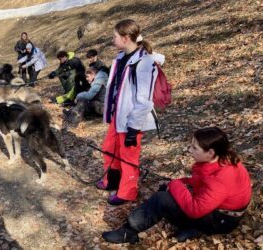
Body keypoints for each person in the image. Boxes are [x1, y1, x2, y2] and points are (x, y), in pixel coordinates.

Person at [102, 127, 252, 244]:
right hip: (216, 211)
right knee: (167, 190)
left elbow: (195, 209)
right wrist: (180, 183)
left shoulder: (221, 178)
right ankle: (193, 229)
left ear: (211, 152)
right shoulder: (223, 158)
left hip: (221, 221)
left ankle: (129, 232)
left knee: (162, 199)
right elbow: (201, 182)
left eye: (195, 148)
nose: (190, 150)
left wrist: (175, 185)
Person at [96, 19, 163, 205]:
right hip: (117, 116)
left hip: (132, 120)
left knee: (128, 157)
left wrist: (134, 128)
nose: (112, 40)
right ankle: (112, 180)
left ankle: (127, 192)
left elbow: (144, 100)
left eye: (114, 37)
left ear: (125, 38)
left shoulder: (144, 62)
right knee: (109, 149)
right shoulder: (119, 58)